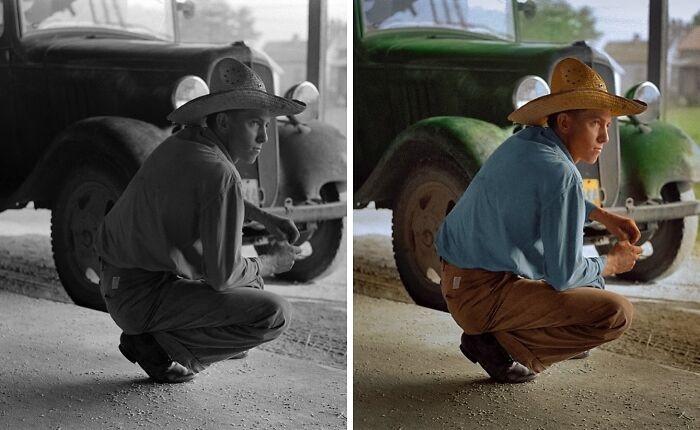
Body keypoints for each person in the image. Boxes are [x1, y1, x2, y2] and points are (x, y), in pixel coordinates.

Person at [434, 57, 646, 383]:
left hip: (459, 278)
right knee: (616, 313)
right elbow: (563, 274)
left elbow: (542, 189)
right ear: (564, 123)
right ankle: (498, 343)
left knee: (590, 284)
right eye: (595, 124)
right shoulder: (562, 173)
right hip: (479, 294)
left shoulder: (526, 143)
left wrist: (600, 214)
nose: (604, 137)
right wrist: (613, 262)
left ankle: (501, 333)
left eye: (607, 125)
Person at [96, 58, 305, 383]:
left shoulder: (185, 143)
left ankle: (165, 335)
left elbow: (208, 191)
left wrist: (264, 216)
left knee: (251, 286)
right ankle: (159, 346)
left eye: (266, 125)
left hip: (118, 284)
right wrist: (272, 261)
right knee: (274, 314)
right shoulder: (222, 173)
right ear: (222, 122)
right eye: (254, 123)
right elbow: (223, 276)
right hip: (140, 297)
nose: (264, 137)